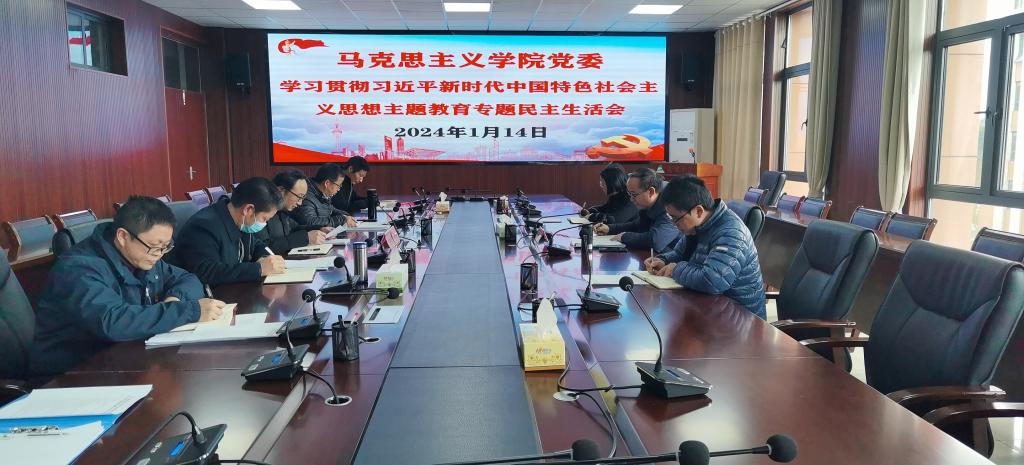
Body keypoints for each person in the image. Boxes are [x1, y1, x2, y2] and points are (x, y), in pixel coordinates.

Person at [30, 197, 227, 379]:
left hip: (121, 361)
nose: (159, 254)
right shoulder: (78, 269)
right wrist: (189, 311)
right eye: (155, 246)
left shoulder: (143, 256)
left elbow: (188, 278)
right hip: (70, 377)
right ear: (123, 236)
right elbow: (112, 321)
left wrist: (175, 299)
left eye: (165, 246)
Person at [644, 175, 766, 319]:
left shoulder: (731, 232)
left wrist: (675, 269)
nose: (674, 224)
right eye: (671, 218)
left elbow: (712, 281)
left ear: (699, 211)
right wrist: (663, 260)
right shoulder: (698, 224)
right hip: (712, 307)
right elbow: (679, 253)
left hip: (740, 319)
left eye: (676, 218)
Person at [167, 177, 287, 285]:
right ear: (248, 209)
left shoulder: (240, 221)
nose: (264, 224)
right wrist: (258, 269)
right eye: (264, 219)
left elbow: (256, 244)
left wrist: (267, 257)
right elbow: (208, 272)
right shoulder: (204, 226)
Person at [594, 168, 680, 253]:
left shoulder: (671, 204)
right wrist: (610, 228)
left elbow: (656, 241)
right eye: (629, 194)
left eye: (634, 194)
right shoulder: (648, 203)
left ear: (651, 192)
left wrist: (624, 237)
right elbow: (637, 225)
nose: (631, 199)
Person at [259, 170, 329, 255]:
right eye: (299, 197)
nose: (300, 203)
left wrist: (320, 229)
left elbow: (294, 228)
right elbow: (262, 248)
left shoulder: (283, 211)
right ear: (281, 190)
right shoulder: (261, 211)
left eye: (303, 198)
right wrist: (305, 238)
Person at [294, 163, 358, 229]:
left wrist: (346, 216)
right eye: (338, 185)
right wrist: (341, 219)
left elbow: (330, 209)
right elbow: (310, 222)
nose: (339, 189)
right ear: (327, 183)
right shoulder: (306, 195)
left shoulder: (322, 194)